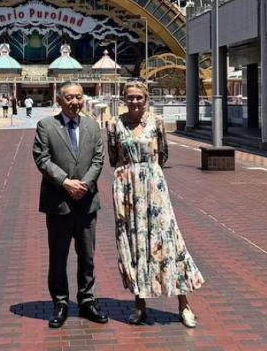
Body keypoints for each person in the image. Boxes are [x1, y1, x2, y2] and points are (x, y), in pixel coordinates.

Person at [107, 80, 204, 328]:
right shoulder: (114, 124)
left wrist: (149, 176)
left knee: (168, 241)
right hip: (126, 189)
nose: (134, 101)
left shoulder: (156, 122)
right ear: (124, 99)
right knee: (135, 244)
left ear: (146, 98)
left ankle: (184, 304)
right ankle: (139, 305)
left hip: (153, 187)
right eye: (130, 97)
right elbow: (113, 157)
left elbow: (163, 154)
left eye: (139, 97)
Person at [32, 81, 108, 329]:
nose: (75, 102)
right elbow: (42, 158)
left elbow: (98, 159)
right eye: (69, 98)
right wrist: (65, 182)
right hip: (59, 202)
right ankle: (61, 302)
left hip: (86, 201)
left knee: (87, 256)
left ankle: (87, 300)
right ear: (59, 100)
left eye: (78, 97)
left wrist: (83, 185)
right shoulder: (46, 126)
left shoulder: (93, 126)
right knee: (58, 256)